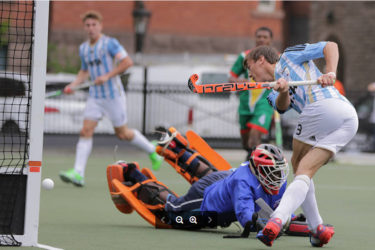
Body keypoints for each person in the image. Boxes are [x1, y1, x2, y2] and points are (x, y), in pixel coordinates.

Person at [243, 42, 358, 247]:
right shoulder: (270, 91)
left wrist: (330, 72)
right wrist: (284, 90)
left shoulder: (288, 56)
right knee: (305, 170)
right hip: (347, 119)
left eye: (249, 68)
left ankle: (277, 219)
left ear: (260, 60)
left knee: (298, 165)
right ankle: (317, 229)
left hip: (325, 106)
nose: (249, 76)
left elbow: (330, 46)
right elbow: (282, 106)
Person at [59, 11, 162, 187]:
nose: (91, 28)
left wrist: (107, 76)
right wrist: (73, 85)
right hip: (95, 97)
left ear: (100, 26)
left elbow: (127, 62)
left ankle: (152, 151)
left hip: (113, 96)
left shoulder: (109, 44)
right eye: (88, 25)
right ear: (85, 27)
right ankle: (78, 173)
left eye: (94, 25)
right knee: (85, 131)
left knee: (123, 134)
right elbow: (84, 71)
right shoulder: (83, 48)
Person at [111, 144, 291, 231]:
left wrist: (287, 218)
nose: (278, 177)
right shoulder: (244, 184)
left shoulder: (266, 179)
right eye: (273, 172)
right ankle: (132, 173)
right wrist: (268, 226)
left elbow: (281, 209)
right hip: (208, 197)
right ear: (260, 170)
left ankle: (177, 148)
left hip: (223, 179)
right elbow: (246, 217)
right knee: (173, 211)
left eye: (279, 172)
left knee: (214, 176)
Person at [229, 27, 275, 159]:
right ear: (255, 38)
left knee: (254, 139)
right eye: (259, 36)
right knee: (246, 144)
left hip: (264, 104)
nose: (261, 39)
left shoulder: (276, 58)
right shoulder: (244, 56)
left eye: (265, 37)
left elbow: (282, 77)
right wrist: (247, 81)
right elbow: (231, 78)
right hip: (245, 105)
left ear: (270, 40)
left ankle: (253, 167)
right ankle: (253, 156)